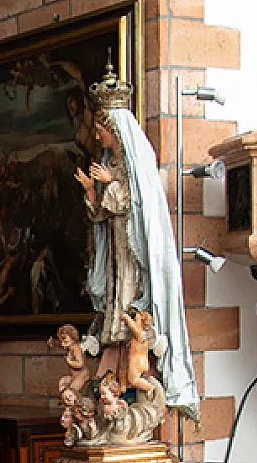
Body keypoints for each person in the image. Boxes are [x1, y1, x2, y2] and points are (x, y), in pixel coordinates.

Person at [73, 64, 200, 424]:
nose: (97, 137)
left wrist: (112, 183)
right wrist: (91, 193)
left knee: (129, 308)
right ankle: (111, 375)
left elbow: (137, 204)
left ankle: (129, 383)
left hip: (132, 250)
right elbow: (102, 215)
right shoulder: (109, 162)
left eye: (100, 131)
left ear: (113, 129)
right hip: (114, 250)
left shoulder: (132, 163)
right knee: (113, 303)